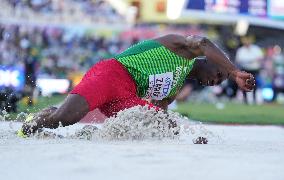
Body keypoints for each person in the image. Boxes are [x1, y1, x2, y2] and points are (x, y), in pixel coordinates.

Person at [18, 34, 255, 137]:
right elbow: (203, 42)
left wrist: (166, 133)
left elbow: (158, 113)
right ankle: (33, 123)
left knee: (165, 124)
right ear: (208, 61)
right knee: (66, 117)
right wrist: (234, 71)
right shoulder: (181, 48)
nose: (217, 81)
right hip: (112, 75)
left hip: (126, 98)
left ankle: (91, 136)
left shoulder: (173, 90)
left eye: (220, 81)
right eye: (220, 75)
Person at [235, 36, 263, 104]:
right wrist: (251, 60)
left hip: (254, 69)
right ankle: (245, 100)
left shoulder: (256, 49)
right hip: (245, 69)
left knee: (255, 84)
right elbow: (238, 60)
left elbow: (260, 58)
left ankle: (255, 99)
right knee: (244, 84)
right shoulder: (241, 50)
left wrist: (248, 61)